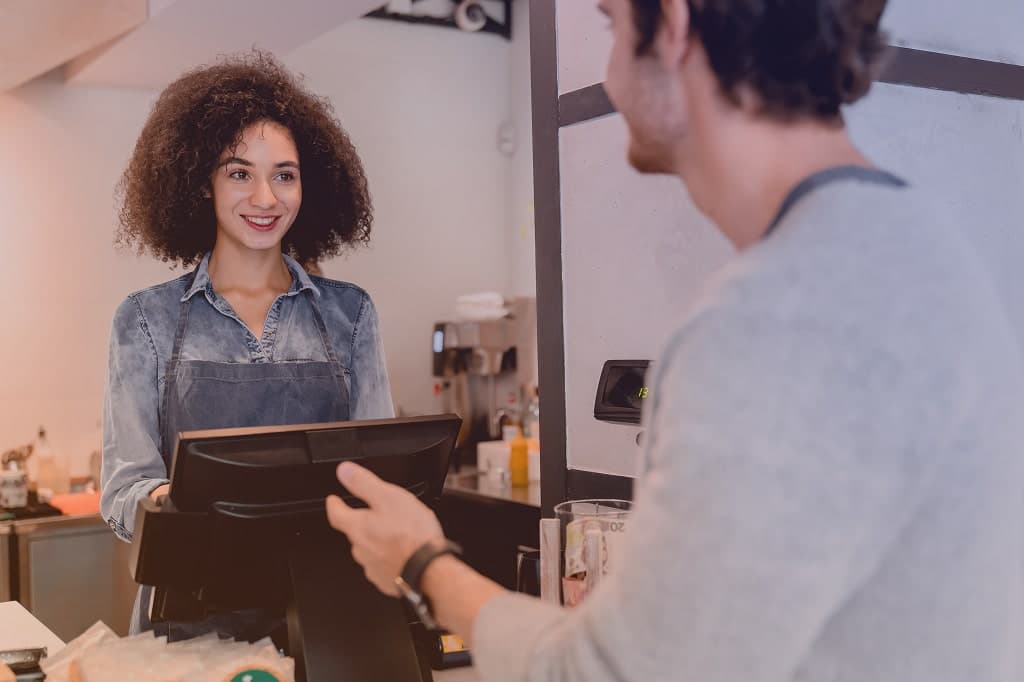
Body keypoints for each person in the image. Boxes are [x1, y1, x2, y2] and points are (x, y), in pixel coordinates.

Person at [326, 0, 1024, 680]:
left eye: (612, 25)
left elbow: (612, 674)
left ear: (675, 25)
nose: (607, 70)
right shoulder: (922, 247)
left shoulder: (778, 317)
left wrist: (423, 564)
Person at [101, 50, 393, 640]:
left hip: (322, 619)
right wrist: (176, 502)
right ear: (199, 183)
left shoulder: (351, 314)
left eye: (284, 174)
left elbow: (379, 478)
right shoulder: (146, 319)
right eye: (240, 173)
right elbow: (123, 490)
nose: (266, 197)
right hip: (187, 626)